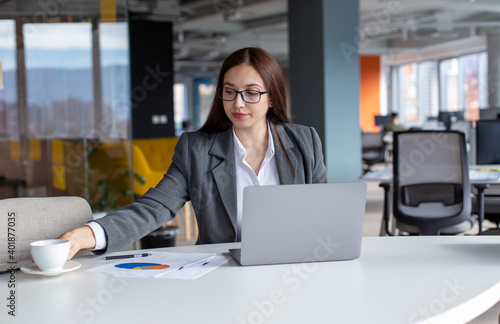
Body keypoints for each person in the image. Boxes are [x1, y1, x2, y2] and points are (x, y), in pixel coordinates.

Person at [59, 47, 329, 260]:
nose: (238, 103)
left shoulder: (305, 141)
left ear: (272, 98)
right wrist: (89, 234)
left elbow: (325, 210)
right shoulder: (196, 149)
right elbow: (156, 207)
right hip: (224, 273)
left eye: (251, 93)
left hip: (293, 265)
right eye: (229, 91)